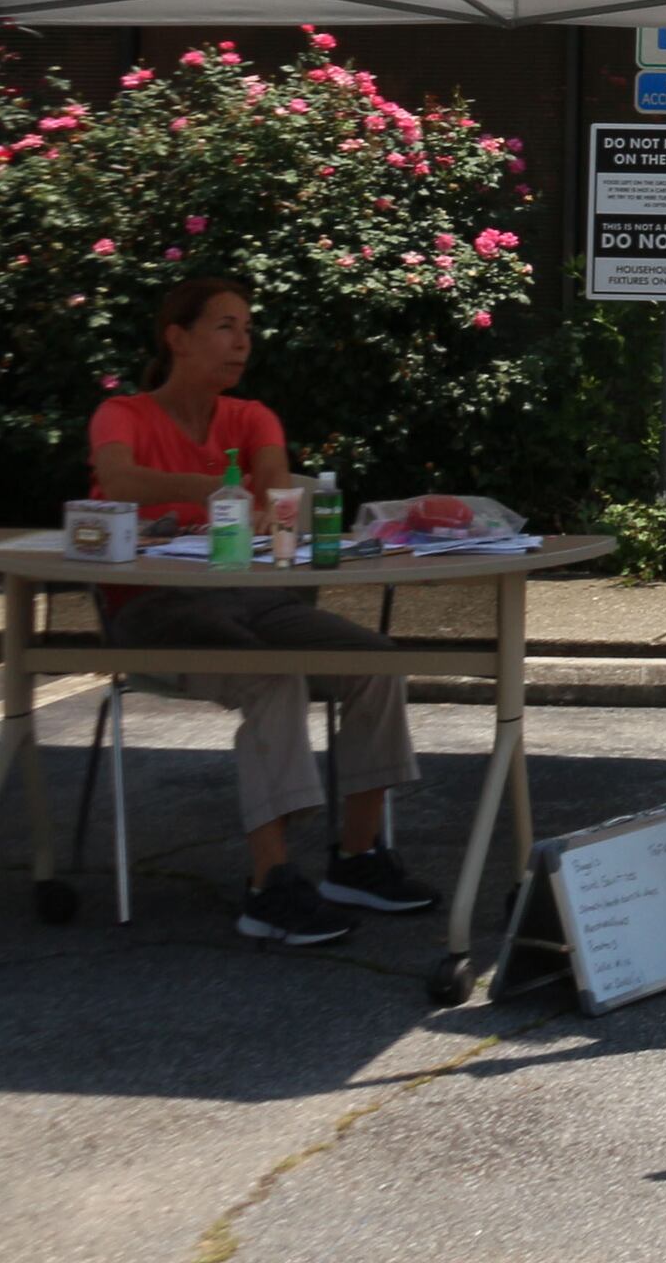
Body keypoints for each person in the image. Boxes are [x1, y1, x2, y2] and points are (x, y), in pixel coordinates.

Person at [89, 276, 433, 947]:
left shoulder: (252, 417)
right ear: (177, 338)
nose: (242, 341)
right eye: (224, 326)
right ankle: (269, 886)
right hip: (152, 604)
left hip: (255, 592)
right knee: (270, 674)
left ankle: (358, 860)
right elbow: (120, 482)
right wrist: (206, 487)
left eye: (247, 328)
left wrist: (219, 501)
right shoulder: (122, 414)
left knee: (379, 665)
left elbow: (273, 495)